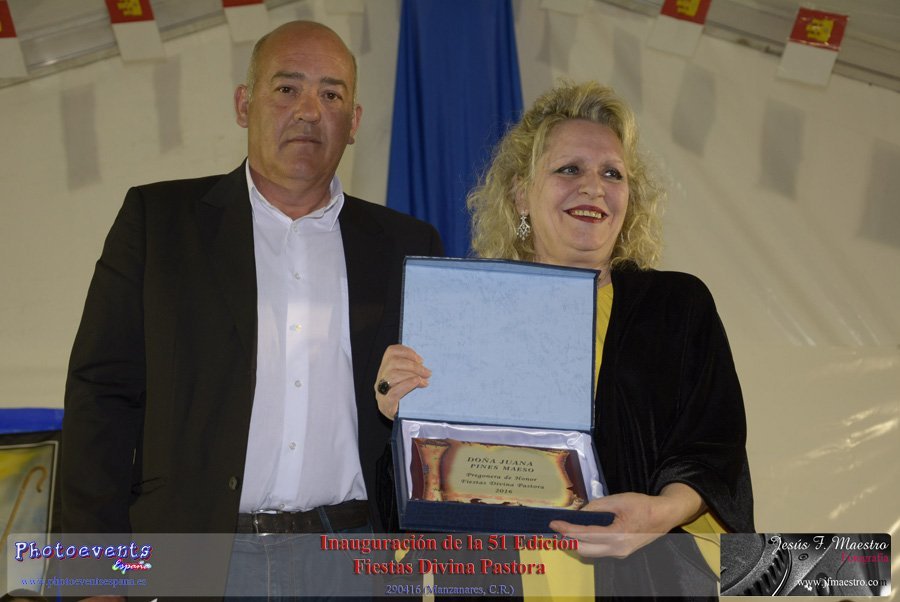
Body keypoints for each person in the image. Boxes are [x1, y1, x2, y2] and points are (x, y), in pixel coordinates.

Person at [61, 20, 442, 597]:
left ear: (354, 122)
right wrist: (93, 579)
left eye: (331, 94)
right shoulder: (159, 223)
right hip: (192, 562)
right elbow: (100, 401)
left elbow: (436, 417)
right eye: (287, 88)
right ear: (244, 104)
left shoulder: (408, 245)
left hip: (355, 562)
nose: (309, 110)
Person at [375, 81, 753, 599]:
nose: (593, 187)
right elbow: (419, 481)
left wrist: (660, 513)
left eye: (612, 173)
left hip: (641, 577)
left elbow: (714, 447)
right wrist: (399, 412)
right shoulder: (462, 310)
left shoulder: (677, 306)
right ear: (520, 194)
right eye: (569, 169)